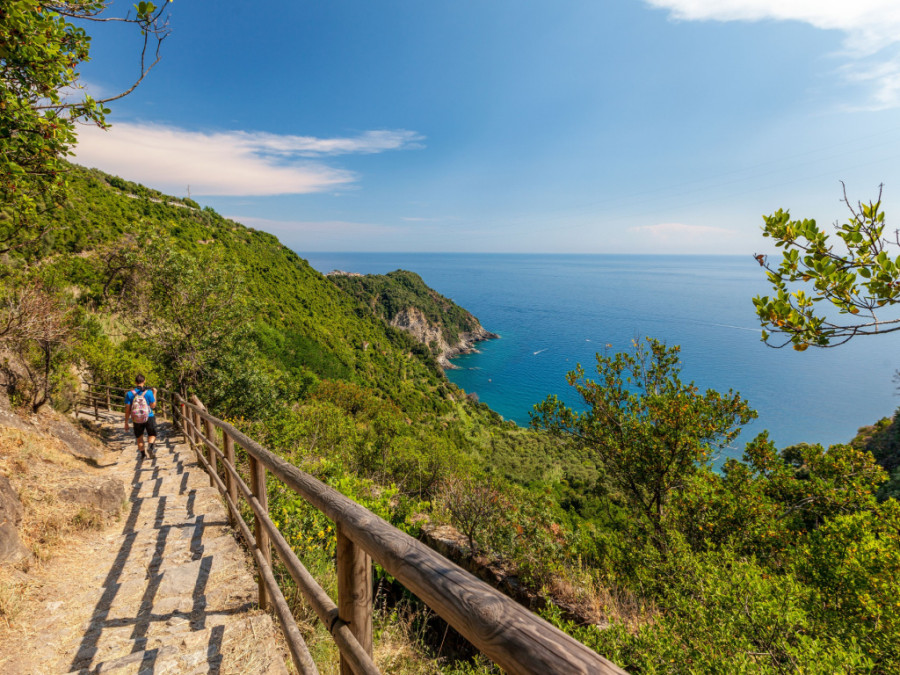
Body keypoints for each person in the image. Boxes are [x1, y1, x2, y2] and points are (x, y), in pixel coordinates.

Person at [124, 374, 157, 459]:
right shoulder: (149, 392)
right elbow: (153, 406)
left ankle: (143, 455)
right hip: (149, 416)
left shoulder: (129, 394)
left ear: (135, 382)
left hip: (136, 418)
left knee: (139, 437)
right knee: (152, 434)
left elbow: (127, 409)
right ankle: (150, 447)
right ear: (144, 381)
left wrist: (126, 422)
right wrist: (155, 393)